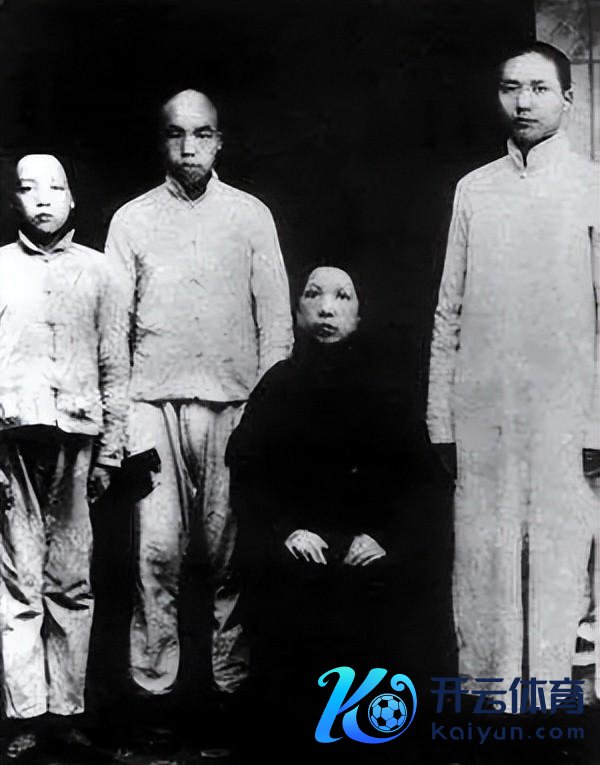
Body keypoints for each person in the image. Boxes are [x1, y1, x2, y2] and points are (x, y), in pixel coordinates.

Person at [105, 89, 293, 741]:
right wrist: (121, 423)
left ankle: (228, 691)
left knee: (227, 555)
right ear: (162, 141)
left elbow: (276, 325)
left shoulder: (250, 215)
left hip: (234, 407)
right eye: (176, 134)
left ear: (220, 140)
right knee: (155, 555)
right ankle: (154, 693)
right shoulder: (131, 220)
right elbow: (113, 330)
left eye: (202, 134)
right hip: (151, 406)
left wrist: (264, 418)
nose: (189, 148)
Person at [427, 41, 600, 701]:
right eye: (510, 88)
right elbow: (449, 309)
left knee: (564, 563)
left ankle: (560, 709)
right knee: (485, 562)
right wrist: (442, 419)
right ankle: (493, 705)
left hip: (567, 416)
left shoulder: (591, 186)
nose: (523, 102)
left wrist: (598, 422)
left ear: (567, 99)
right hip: (485, 413)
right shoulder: (475, 189)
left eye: (538, 88)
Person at [226, 266, 434, 753]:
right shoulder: (277, 385)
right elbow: (248, 472)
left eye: (342, 297)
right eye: (313, 295)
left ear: (360, 314)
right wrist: (286, 531)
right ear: (297, 310)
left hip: (367, 546)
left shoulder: (389, 387)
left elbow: (418, 479)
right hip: (300, 545)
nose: (326, 308)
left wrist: (384, 538)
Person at [0, 154, 129, 759]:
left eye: (56, 187)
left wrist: (110, 453)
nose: (44, 199)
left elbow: (115, 365)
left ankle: (67, 712)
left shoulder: (100, 272)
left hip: (78, 441)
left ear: (73, 198)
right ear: (14, 201)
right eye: (29, 189)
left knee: (71, 581)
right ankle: (25, 716)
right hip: (11, 444)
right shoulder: (0, 267)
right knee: (19, 582)